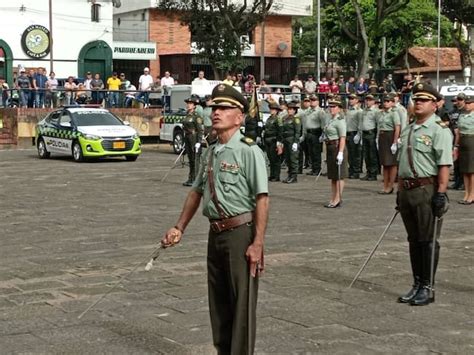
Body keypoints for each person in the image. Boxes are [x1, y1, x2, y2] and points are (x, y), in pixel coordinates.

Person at [161, 83, 269, 354]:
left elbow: (262, 198)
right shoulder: (211, 150)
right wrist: (179, 227)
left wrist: (258, 243)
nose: (216, 112)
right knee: (218, 303)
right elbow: (197, 191)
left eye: (224, 108)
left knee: (241, 304)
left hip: (239, 233)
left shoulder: (248, 150)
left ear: (239, 115)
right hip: (216, 233)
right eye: (214, 108)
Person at [396, 82, 452, 306]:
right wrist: (399, 191)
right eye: (416, 99)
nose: (418, 103)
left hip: (426, 188)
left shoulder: (439, 130)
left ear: (435, 105)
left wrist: (441, 193)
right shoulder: (410, 128)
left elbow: (444, 165)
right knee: (413, 240)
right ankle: (417, 283)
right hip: (408, 189)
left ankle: (428, 287)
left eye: (424, 100)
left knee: (428, 240)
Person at [323, 97, 348, 208]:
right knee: (333, 176)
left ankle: (338, 198)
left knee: (339, 175)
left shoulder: (340, 120)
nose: (331, 108)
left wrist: (341, 152)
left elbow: (342, 137)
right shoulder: (331, 120)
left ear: (339, 108)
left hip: (337, 147)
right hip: (330, 147)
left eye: (334, 107)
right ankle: (333, 197)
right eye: (330, 106)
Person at [377, 93, 401, 194]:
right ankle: (385, 185)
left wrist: (395, 142)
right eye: (385, 101)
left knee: (392, 163)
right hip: (382, 136)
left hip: (390, 136)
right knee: (384, 163)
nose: (386, 103)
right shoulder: (381, 113)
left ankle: (390, 186)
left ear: (392, 103)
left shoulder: (394, 113)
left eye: (388, 101)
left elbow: (397, 128)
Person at [454, 95, 474, 204]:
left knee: (472, 171)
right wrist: (456, 146)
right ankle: (466, 193)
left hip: (472, 141)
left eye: (470, 103)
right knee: (465, 170)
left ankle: (472, 194)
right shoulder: (462, 115)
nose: (467, 105)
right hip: (463, 141)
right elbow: (458, 132)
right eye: (466, 103)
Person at [182, 95, 204, 186]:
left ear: (194, 105)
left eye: (190, 103)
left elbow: (200, 130)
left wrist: (199, 142)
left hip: (194, 138)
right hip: (187, 138)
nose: (188, 105)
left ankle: (196, 179)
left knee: (195, 160)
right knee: (190, 159)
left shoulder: (196, 116)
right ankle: (190, 178)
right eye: (188, 103)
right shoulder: (187, 115)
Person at [360, 94, 380, 181]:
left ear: (373, 101)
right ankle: (368, 172)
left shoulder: (376, 111)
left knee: (372, 155)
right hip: (364, 133)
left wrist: (377, 137)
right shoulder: (364, 110)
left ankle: (373, 173)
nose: (367, 102)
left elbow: (378, 124)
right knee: (366, 154)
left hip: (371, 133)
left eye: (369, 100)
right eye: (366, 100)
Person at [281, 102, 301, 183]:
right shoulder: (285, 118)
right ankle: (289, 175)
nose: (290, 111)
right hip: (286, 140)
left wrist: (296, 142)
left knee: (293, 159)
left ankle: (294, 176)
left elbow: (297, 131)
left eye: (292, 109)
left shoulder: (296, 119)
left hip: (292, 139)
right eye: (289, 109)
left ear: (294, 111)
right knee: (288, 159)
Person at [304, 95, 325, 175]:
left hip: (316, 133)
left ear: (318, 102)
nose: (312, 102)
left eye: (314, 100)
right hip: (309, 133)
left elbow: (323, 123)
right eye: (311, 100)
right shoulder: (309, 111)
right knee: (311, 152)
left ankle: (317, 169)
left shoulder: (320, 111)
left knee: (316, 152)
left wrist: (323, 134)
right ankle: (313, 168)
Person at [264, 102, 283, 181]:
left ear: (277, 111)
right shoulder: (269, 118)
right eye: (271, 109)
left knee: (275, 159)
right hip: (268, 139)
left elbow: (280, 131)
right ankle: (272, 175)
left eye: (273, 109)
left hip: (274, 140)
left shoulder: (278, 119)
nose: (271, 110)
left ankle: (276, 176)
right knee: (271, 159)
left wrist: (279, 143)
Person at [345, 93, 363, 179]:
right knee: (349, 154)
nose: (350, 100)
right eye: (350, 99)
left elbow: (360, 124)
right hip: (348, 133)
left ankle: (356, 171)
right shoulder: (348, 110)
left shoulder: (359, 111)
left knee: (355, 154)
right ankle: (351, 170)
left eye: (352, 99)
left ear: (356, 100)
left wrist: (359, 134)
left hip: (354, 133)